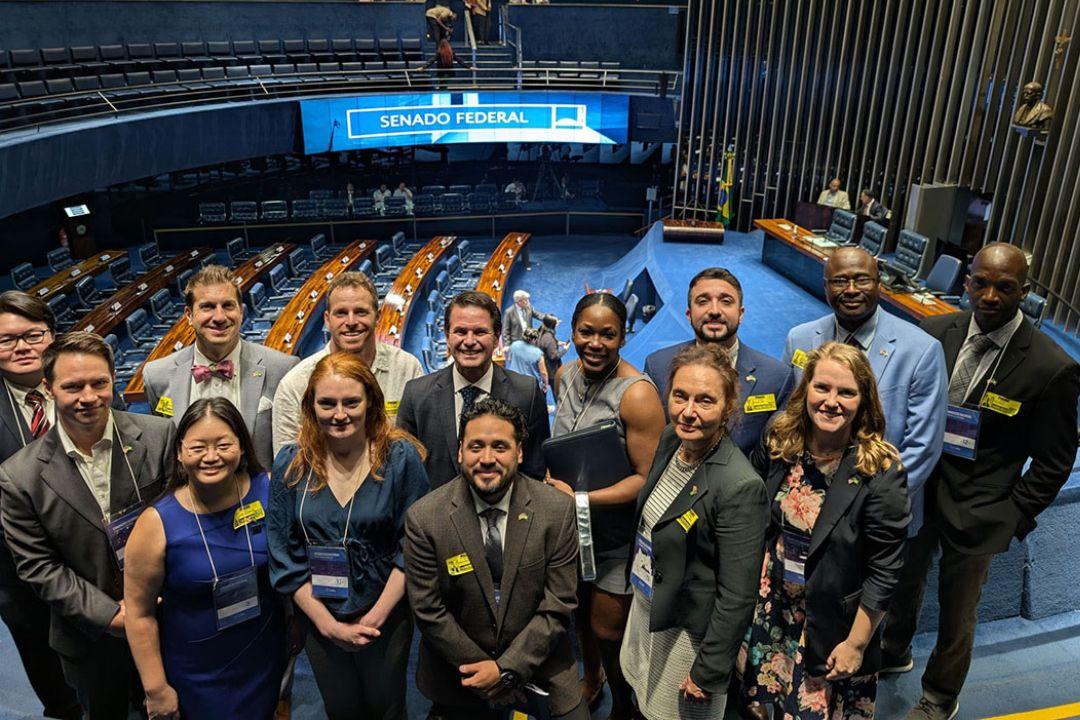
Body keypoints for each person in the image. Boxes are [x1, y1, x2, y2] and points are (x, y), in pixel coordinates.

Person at [883, 244, 1080, 720]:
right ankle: (892, 652)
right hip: (919, 493)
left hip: (982, 512)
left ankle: (939, 698)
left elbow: (1055, 460)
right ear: (966, 282)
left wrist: (1013, 516)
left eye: (1005, 287)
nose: (990, 296)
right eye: (981, 283)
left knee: (957, 614)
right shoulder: (933, 332)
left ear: (1025, 293)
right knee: (901, 584)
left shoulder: (1050, 366)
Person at [0, 331, 176, 719]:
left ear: (113, 379)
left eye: (99, 383)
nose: (88, 397)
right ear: (48, 388)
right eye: (72, 386)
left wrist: (147, 605)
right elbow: (38, 567)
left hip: (168, 617)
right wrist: (109, 614)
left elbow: (180, 524)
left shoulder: (159, 436)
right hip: (90, 635)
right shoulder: (18, 476)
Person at [739, 342, 911, 720]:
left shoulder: (881, 470)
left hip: (832, 624)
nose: (831, 401)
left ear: (863, 400)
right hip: (773, 607)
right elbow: (752, 509)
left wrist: (856, 644)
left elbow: (885, 571)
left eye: (846, 392)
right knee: (760, 706)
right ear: (806, 390)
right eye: (822, 388)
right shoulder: (780, 439)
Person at [405, 397, 588, 720]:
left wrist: (506, 668)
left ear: (519, 453)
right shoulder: (425, 517)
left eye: (500, 447)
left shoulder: (556, 511)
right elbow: (428, 610)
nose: (487, 459)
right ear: (460, 451)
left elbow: (559, 603)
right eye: (476, 447)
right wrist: (487, 674)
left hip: (542, 665)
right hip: (459, 671)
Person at [269, 352, 429, 720]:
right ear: (311, 405)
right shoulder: (291, 464)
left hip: (386, 615)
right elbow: (284, 554)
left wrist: (374, 619)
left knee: (388, 708)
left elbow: (413, 547)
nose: (339, 414)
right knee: (341, 709)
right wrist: (327, 625)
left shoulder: (400, 457)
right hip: (318, 615)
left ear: (370, 401)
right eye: (327, 403)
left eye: (351, 402)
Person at [621, 344, 769, 720]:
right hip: (649, 609)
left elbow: (737, 595)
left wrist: (709, 670)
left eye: (705, 401)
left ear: (728, 407)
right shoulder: (672, 438)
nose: (688, 412)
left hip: (688, 636)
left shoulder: (739, 486)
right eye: (680, 396)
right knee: (642, 703)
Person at [124, 398, 287, 719]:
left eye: (223, 445)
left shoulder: (268, 489)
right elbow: (139, 614)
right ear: (179, 454)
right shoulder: (155, 522)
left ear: (242, 447)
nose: (211, 457)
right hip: (195, 667)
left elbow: (286, 567)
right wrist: (156, 688)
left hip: (262, 651)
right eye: (198, 448)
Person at [547, 292, 666, 720]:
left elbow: (646, 479)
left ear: (623, 336)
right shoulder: (563, 376)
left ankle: (623, 704)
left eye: (608, 334)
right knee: (579, 614)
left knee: (607, 629)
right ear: (572, 332)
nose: (595, 343)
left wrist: (580, 498)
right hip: (570, 534)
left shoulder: (636, 396)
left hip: (616, 537)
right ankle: (592, 677)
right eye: (586, 332)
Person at [783, 246, 946, 544]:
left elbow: (923, 446)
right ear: (825, 286)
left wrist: (868, 503)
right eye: (840, 281)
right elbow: (790, 417)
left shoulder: (922, 350)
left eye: (862, 280)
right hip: (807, 502)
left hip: (880, 514)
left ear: (879, 284)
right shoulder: (801, 338)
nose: (851, 290)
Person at [0, 291, 82, 720]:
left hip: (96, 560)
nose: (22, 347)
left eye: (33, 334)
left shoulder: (86, 387)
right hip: (17, 569)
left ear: (52, 337)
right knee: (41, 652)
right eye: (6, 339)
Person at [143, 264, 299, 470]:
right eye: (207, 307)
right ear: (189, 315)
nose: (219, 317)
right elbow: (165, 453)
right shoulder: (157, 376)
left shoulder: (282, 369)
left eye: (228, 306)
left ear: (241, 312)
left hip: (261, 496)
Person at [397, 290, 550, 488]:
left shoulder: (526, 393)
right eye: (460, 332)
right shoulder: (416, 394)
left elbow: (534, 471)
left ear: (496, 338)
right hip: (435, 517)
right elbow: (406, 472)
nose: (469, 341)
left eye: (479, 332)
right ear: (447, 336)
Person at [273, 271, 424, 458]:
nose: (351, 322)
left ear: (377, 317)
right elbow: (287, 463)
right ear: (327, 320)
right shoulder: (295, 383)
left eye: (361, 312)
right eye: (341, 313)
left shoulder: (408, 368)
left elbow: (418, 447)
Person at [645, 267, 792, 456]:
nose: (714, 311)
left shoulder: (777, 377)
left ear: (741, 313)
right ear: (689, 314)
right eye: (703, 301)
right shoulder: (657, 366)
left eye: (726, 301)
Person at [506, 328, 548, 392]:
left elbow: (510, 359)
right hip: (531, 387)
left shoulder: (514, 345)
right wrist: (545, 385)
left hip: (514, 382)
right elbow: (543, 373)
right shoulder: (538, 353)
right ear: (534, 339)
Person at [536, 314, 570, 386]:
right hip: (551, 372)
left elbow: (545, 343)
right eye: (556, 323)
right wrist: (565, 349)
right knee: (557, 392)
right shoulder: (549, 339)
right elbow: (554, 356)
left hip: (541, 366)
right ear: (552, 325)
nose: (558, 323)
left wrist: (557, 342)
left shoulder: (541, 331)